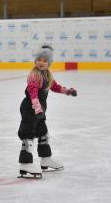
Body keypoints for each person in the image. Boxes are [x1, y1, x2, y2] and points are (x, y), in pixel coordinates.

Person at [18, 45, 77, 178]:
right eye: (39, 59)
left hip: (39, 111)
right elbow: (33, 94)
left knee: (43, 134)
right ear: (35, 61)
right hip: (30, 109)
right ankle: (25, 164)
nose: (41, 62)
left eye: (45, 60)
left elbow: (55, 87)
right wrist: (37, 108)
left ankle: (45, 159)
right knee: (28, 136)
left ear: (49, 63)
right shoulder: (35, 76)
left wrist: (68, 91)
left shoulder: (47, 75)